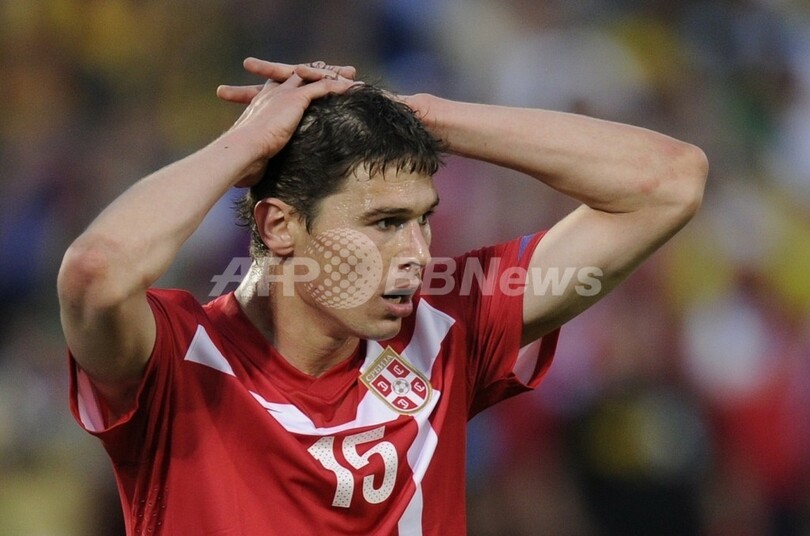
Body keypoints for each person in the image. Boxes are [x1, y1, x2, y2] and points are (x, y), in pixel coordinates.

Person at [57, 58, 708, 535]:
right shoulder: (174, 359)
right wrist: (246, 145)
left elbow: (670, 181)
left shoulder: (446, 331)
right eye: (386, 223)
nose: (419, 253)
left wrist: (416, 115)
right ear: (279, 227)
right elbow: (94, 272)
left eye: (423, 219)